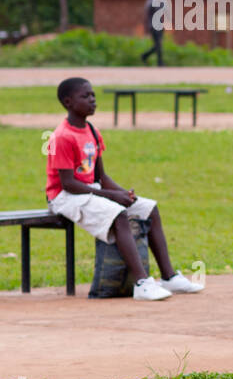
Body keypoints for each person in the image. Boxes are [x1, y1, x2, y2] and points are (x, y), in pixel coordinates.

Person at [45, 77, 203, 301]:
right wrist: (112, 197)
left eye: (93, 95)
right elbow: (68, 183)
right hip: (64, 196)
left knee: (148, 208)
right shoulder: (61, 137)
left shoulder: (91, 131)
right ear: (68, 102)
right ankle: (141, 283)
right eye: (85, 96)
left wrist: (124, 194)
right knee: (118, 215)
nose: (92, 100)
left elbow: (101, 176)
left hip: (89, 190)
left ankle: (169, 276)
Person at [140, 0, 166, 67]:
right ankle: (160, 62)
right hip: (153, 26)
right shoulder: (150, 1)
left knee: (158, 44)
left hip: (160, 26)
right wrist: (146, 27)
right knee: (158, 44)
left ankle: (145, 56)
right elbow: (146, 15)